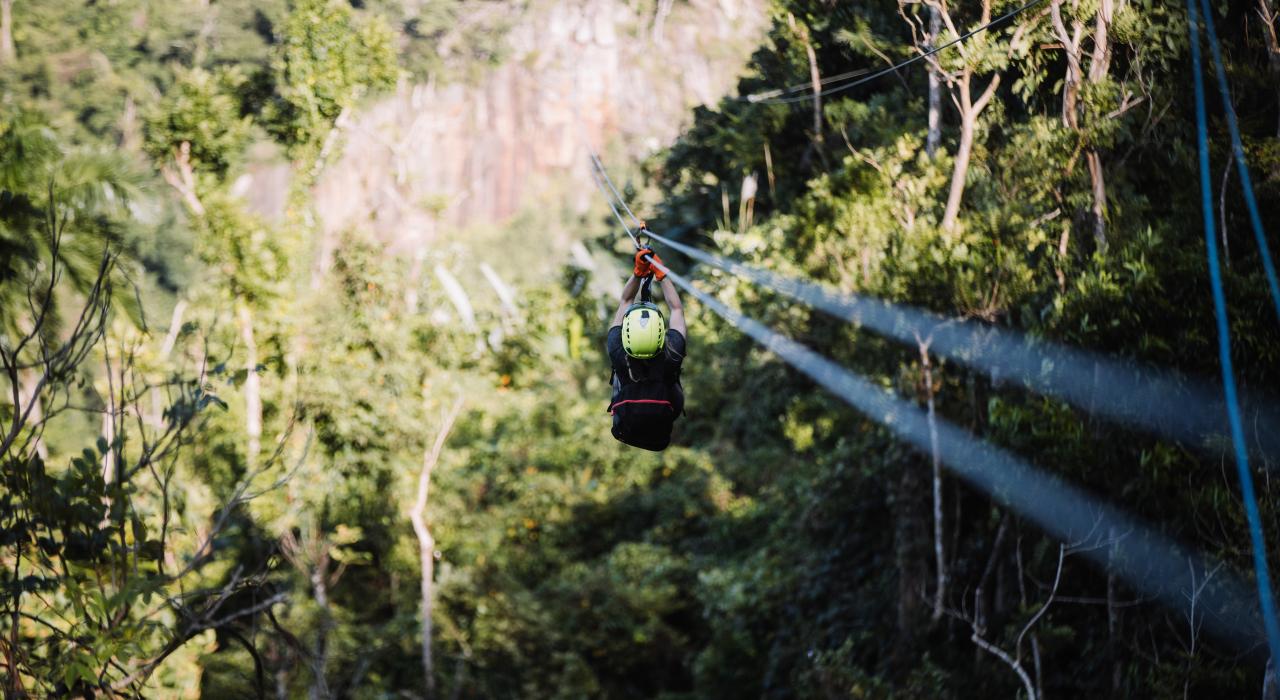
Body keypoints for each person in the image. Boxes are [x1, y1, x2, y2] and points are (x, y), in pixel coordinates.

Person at [606, 247, 687, 451]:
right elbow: (676, 308)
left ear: (627, 333)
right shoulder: (672, 353)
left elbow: (625, 300)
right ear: (660, 334)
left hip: (627, 424)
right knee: (671, 378)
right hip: (666, 409)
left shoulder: (617, 348)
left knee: (619, 376)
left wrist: (638, 273)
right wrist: (661, 273)